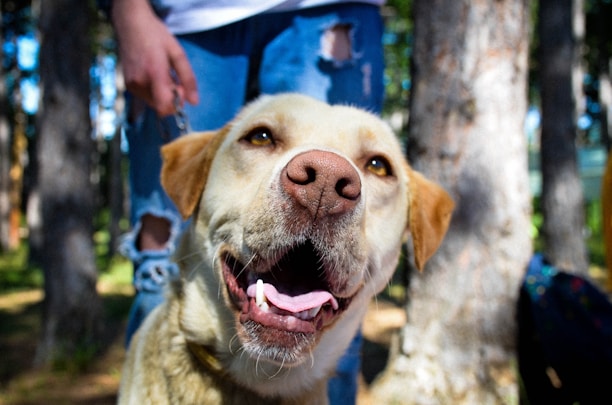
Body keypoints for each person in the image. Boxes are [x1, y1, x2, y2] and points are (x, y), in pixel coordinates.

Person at [107, 0, 385, 402]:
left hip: (334, 9)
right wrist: (128, 10)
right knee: (161, 266)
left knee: (339, 286)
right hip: (184, 17)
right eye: (262, 139)